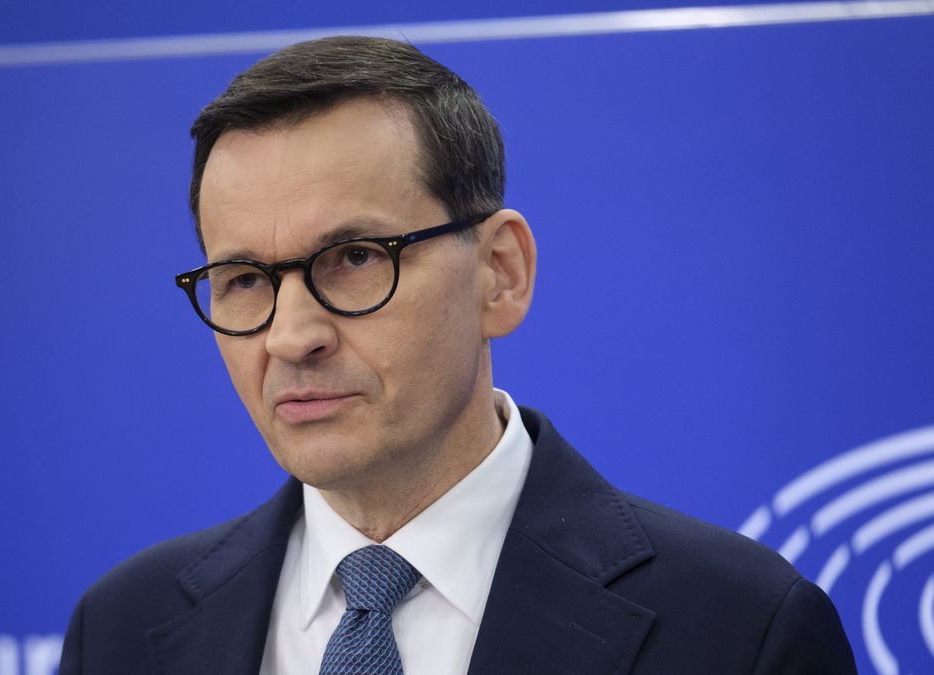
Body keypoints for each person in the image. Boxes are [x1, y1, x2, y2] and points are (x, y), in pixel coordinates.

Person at [60, 36, 855, 674]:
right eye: (242, 279)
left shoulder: (740, 630)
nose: (290, 335)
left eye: (357, 257)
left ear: (499, 274)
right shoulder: (123, 626)